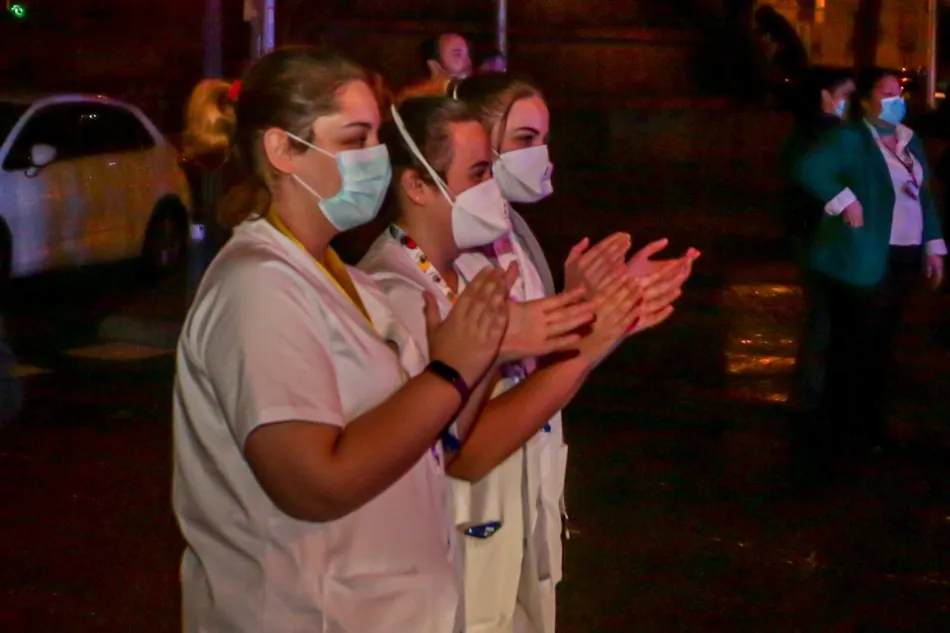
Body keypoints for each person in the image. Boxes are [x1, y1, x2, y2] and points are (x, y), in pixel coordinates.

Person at [172, 46, 518, 633]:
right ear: (282, 149)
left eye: (376, 138)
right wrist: (449, 371)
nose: (375, 159)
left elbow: (435, 441)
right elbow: (315, 484)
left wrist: (483, 353)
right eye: (354, 140)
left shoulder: (346, 279)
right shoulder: (257, 287)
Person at [365, 92, 696, 633]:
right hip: (441, 577)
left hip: (500, 550)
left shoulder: (469, 274)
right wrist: (587, 345)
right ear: (417, 184)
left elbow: (527, 385)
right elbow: (460, 453)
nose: (493, 190)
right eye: (478, 172)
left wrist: (599, 311)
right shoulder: (396, 293)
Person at [795, 67, 946, 454]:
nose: (896, 100)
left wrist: (933, 245)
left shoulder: (910, 142)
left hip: (903, 256)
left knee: (881, 343)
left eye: (899, 92)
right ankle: (842, 426)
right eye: (886, 93)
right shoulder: (851, 139)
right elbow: (810, 169)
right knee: (853, 344)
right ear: (866, 101)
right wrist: (846, 200)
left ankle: (870, 423)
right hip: (861, 258)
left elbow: (922, 196)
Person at [779, 67, 854, 417]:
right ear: (825, 95)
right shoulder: (827, 136)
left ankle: (815, 394)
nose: (851, 103)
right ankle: (817, 397)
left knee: (824, 315)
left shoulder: (805, 134)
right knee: (826, 316)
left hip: (810, 232)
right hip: (822, 235)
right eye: (846, 95)